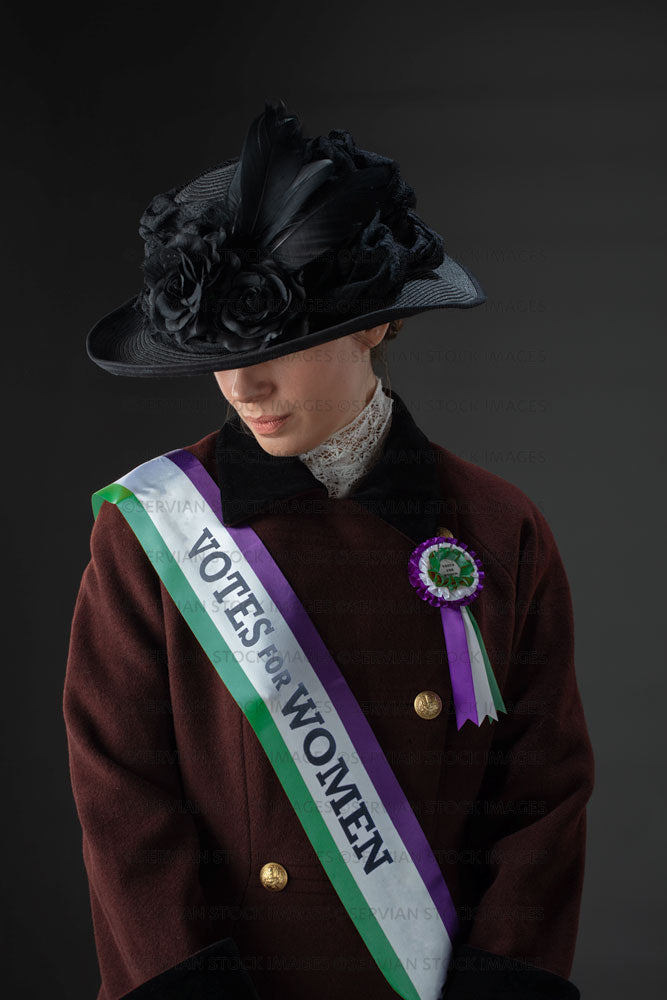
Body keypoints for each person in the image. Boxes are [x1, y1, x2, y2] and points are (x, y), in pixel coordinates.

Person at [64, 97, 595, 1000]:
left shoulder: (501, 529)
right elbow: (124, 803)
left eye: (279, 343)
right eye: (221, 351)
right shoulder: (145, 533)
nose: (241, 386)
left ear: (374, 325)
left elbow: (540, 804)